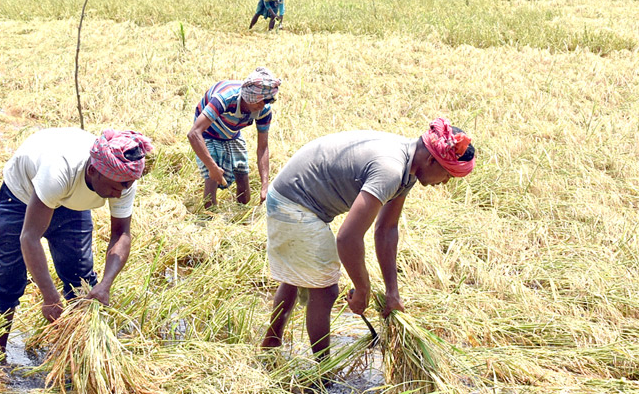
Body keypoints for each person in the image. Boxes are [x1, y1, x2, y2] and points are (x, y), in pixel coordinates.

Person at [261, 118, 476, 365]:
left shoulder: (408, 167)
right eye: (447, 175)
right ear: (431, 160)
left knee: (301, 276)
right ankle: (323, 372)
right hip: (293, 203)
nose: (445, 182)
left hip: (298, 199)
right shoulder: (391, 169)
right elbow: (348, 237)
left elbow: (386, 229)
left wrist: (392, 292)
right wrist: (362, 289)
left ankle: (271, 343)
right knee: (325, 290)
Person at [0, 127, 154, 356]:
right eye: (115, 187)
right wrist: (49, 295)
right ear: (94, 171)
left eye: (126, 186)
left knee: (80, 279)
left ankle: (77, 356)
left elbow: (121, 234)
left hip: (71, 202)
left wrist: (105, 285)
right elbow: (29, 237)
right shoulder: (58, 170)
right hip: (21, 196)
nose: (119, 194)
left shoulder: (123, 180)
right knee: (8, 277)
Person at [187, 67, 280, 208]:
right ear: (250, 97)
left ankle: (242, 214)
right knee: (212, 176)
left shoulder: (263, 110)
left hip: (232, 132)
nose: (262, 106)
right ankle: (208, 216)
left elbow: (263, 147)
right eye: (260, 101)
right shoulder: (225, 98)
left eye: (267, 101)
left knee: (242, 173)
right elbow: (194, 134)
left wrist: (265, 185)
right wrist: (212, 167)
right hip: (208, 131)